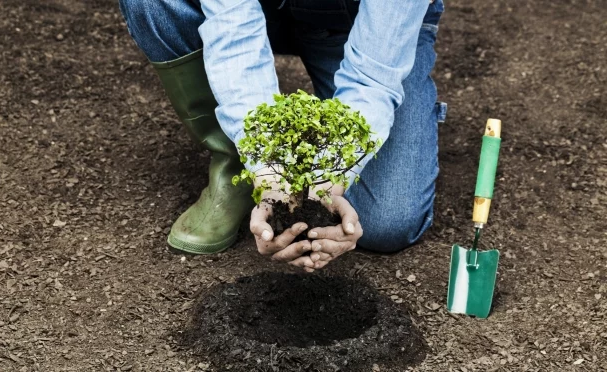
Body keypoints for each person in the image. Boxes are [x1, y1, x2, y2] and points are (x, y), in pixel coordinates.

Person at [119, 0, 446, 271]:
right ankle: (236, 163)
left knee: (387, 223)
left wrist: (331, 175)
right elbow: (234, 32)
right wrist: (267, 169)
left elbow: (372, 78)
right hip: (261, 10)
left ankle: (308, 147)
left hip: (358, 24)